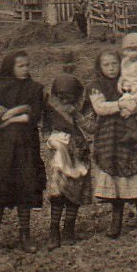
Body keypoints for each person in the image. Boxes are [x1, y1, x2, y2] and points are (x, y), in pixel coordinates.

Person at [89, 48, 137, 237]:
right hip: (110, 134)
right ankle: (116, 219)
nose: (111, 68)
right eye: (106, 65)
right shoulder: (97, 85)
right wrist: (120, 105)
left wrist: (134, 108)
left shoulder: (128, 81)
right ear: (100, 67)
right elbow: (100, 107)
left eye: (114, 64)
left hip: (133, 132)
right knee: (115, 173)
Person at [0, 50, 45, 251]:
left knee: (26, 186)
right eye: (21, 66)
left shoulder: (35, 88)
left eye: (27, 65)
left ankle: (25, 234)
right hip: (4, 148)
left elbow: (34, 118)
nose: (25, 69)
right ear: (10, 67)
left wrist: (12, 112)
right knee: (1, 185)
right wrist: (23, 109)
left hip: (27, 145)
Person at [43, 72, 92, 248]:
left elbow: (91, 128)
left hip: (78, 152)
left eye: (68, 97)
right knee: (58, 191)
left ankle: (69, 227)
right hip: (59, 154)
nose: (64, 101)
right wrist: (51, 140)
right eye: (60, 96)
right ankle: (54, 228)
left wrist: (77, 114)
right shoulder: (50, 109)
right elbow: (45, 130)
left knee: (75, 190)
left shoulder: (83, 109)